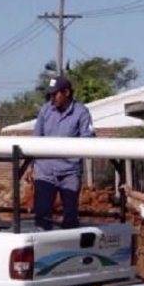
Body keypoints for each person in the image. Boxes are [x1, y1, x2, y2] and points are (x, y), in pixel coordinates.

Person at [31, 76, 95, 230]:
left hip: (70, 172)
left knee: (70, 214)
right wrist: (31, 166)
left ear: (66, 92)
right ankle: (43, 246)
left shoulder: (81, 113)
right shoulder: (45, 110)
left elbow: (88, 139)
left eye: (55, 94)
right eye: (50, 95)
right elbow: (35, 139)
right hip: (45, 171)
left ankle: (68, 247)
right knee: (42, 213)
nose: (52, 98)